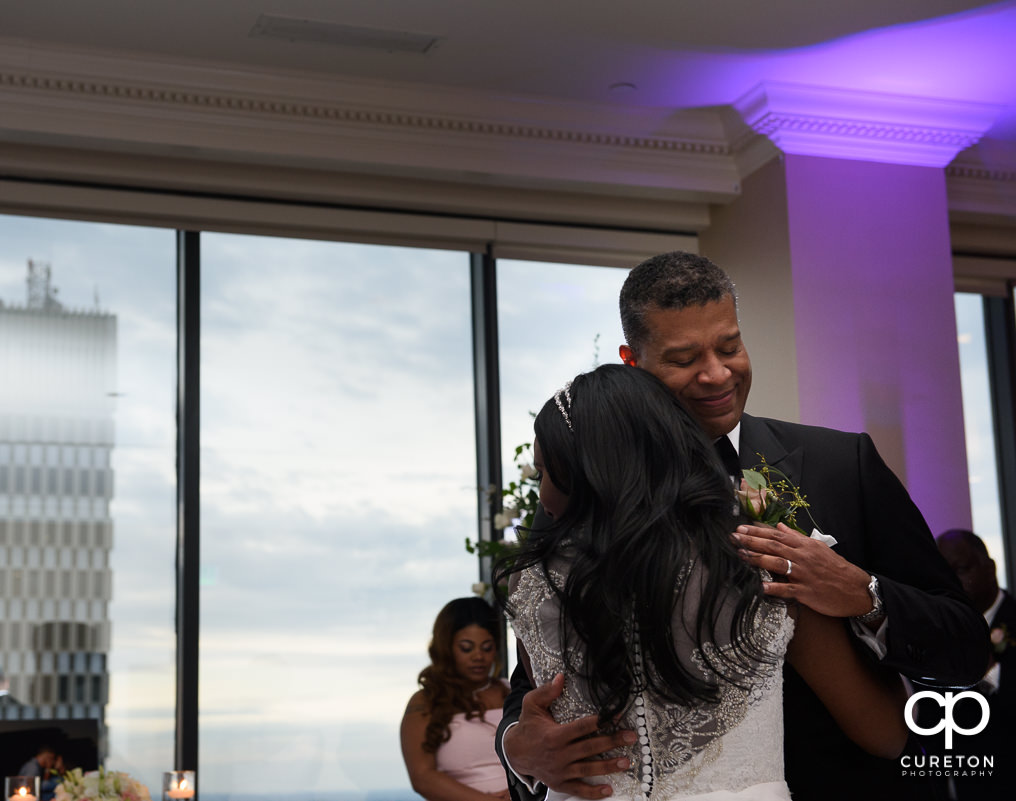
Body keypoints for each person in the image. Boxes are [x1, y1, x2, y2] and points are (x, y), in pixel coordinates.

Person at [496, 252, 990, 801]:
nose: (716, 373)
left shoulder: (839, 465)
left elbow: (964, 645)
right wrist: (518, 746)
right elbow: (541, 674)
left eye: (729, 347)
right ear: (632, 362)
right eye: (684, 358)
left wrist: (865, 595)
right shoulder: (582, 493)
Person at [498, 364, 909, 800]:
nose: (542, 496)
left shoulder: (532, 590)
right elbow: (885, 732)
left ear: (590, 472)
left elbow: (540, 708)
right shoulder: (764, 570)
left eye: (544, 472)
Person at [929, 529, 1015, 799]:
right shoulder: (938, 631)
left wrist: (990, 671)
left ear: (990, 568)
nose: (953, 582)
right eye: (944, 574)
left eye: (961, 569)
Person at [401, 597, 512, 800]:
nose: (478, 656)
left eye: (486, 647)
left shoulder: (512, 691)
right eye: (467, 648)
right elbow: (422, 777)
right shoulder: (426, 702)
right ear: (446, 648)